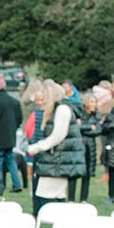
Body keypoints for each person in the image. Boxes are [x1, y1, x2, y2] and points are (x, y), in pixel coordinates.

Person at [26, 81, 86, 218]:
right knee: (50, 194)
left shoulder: (62, 109)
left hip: (58, 160)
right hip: (54, 159)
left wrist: (36, 147)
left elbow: (57, 136)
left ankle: (50, 225)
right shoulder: (56, 110)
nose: (41, 102)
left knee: (47, 196)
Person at [0, 74, 24, 193]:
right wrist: (13, 128)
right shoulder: (14, 101)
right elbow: (19, 118)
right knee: (10, 160)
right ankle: (17, 184)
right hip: (10, 136)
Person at [76, 92, 101, 202]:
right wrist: (89, 127)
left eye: (95, 102)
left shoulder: (97, 116)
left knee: (87, 174)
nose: (94, 104)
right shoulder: (79, 114)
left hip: (90, 147)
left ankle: (83, 198)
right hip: (79, 146)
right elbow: (76, 128)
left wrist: (83, 128)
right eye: (92, 101)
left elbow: (98, 130)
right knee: (75, 172)